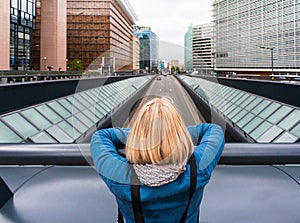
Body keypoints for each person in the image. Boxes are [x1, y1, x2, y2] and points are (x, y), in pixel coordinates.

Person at [90, 97, 225, 223]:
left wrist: (145, 138)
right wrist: (171, 136)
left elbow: (100, 137)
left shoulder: (118, 174)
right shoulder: (198, 167)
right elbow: (214, 130)